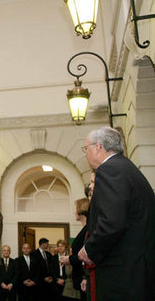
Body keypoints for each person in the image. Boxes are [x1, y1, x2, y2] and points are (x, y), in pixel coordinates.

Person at [78, 126, 155, 301]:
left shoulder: (110, 170)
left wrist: (89, 250)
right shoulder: (127, 168)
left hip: (123, 275)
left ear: (98, 147)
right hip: (137, 271)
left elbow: (112, 222)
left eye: (86, 148)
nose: (86, 154)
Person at [60, 197, 89, 301]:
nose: (74, 212)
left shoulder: (87, 230)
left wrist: (69, 259)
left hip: (84, 278)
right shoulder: (84, 229)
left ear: (81, 209)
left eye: (76, 208)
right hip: (80, 279)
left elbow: (86, 256)